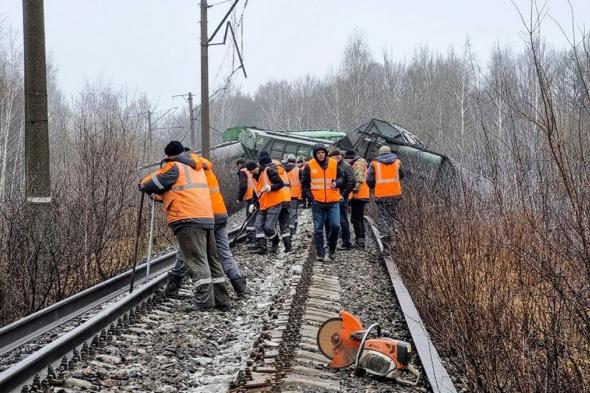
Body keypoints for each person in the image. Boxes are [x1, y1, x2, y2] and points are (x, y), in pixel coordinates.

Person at [139, 141, 230, 312]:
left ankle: (204, 301)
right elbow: (181, 191)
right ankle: (222, 299)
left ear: (168, 156)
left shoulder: (174, 167)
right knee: (212, 260)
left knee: (196, 260)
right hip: (206, 217)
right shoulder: (197, 167)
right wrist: (160, 197)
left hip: (187, 219)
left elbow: (150, 184)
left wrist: (143, 184)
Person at [301, 144, 345, 261]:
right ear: (315, 155)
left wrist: (338, 183)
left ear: (325, 153)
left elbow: (342, 177)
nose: (320, 155)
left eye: (322, 152)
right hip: (318, 202)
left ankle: (332, 248)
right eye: (318, 153)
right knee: (318, 229)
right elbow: (304, 185)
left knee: (335, 225)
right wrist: (312, 198)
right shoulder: (309, 165)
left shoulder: (333, 163)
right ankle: (320, 253)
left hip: (333, 201)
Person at [249, 153, 289, 254]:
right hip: (263, 204)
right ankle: (263, 248)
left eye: (251, 170)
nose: (250, 173)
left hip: (274, 203)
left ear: (256, 167)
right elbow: (256, 192)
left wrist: (270, 188)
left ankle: (275, 240)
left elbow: (280, 184)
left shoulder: (268, 171)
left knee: (269, 227)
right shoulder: (253, 177)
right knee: (258, 225)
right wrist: (253, 203)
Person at [367, 145, 404, 236]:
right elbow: (402, 175)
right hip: (395, 194)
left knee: (382, 214)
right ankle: (394, 231)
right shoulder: (397, 162)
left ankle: (385, 234)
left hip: (381, 194)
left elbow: (369, 179)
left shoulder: (374, 163)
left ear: (379, 153)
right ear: (390, 152)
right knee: (394, 213)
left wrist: (373, 187)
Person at [327, 147, 355, 250]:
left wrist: (343, 195)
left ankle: (346, 242)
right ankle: (339, 240)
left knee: (343, 220)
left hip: (341, 197)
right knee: (338, 220)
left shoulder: (346, 167)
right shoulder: (338, 165)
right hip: (335, 196)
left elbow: (352, 182)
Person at [344, 150, 370, 249]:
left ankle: (360, 241)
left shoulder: (357, 165)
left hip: (358, 196)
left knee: (356, 219)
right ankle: (361, 239)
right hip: (361, 196)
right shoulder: (360, 163)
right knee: (358, 218)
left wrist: (350, 190)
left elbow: (358, 181)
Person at [236, 158, 258, 246]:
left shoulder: (242, 171)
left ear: (239, 165)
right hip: (257, 196)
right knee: (255, 218)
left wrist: (239, 198)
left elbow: (243, 186)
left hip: (250, 197)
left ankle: (252, 239)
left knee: (250, 219)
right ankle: (257, 237)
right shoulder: (251, 169)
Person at [285, 154, 302, 235]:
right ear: (295, 162)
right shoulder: (298, 170)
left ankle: (286, 227)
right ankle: (292, 228)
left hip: (284, 194)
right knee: (293, 211)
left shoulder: (283, 169)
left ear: (287, 161)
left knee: (285, 211)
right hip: (295, 194)